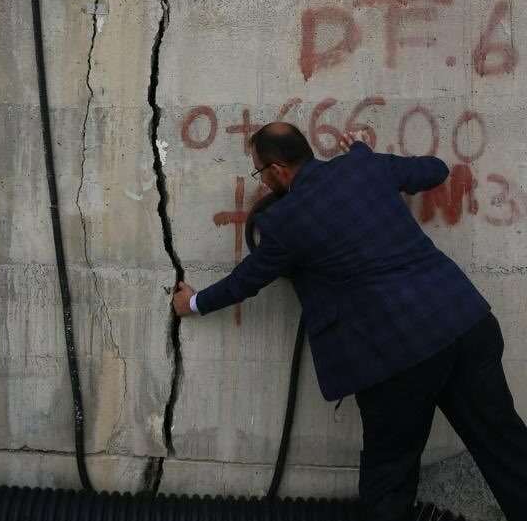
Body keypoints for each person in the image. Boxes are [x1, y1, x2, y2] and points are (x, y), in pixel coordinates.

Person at [172, 122, 527, 521]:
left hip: (398, 356)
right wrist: (367, 155)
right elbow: (435, 170)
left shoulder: (286, 220)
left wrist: (194, 302)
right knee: (505, 446)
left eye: (259, 171)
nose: (262, 180)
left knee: (388, 480)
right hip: (464, 322)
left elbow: (246, 281)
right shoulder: (363, 166)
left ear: (278, 170)